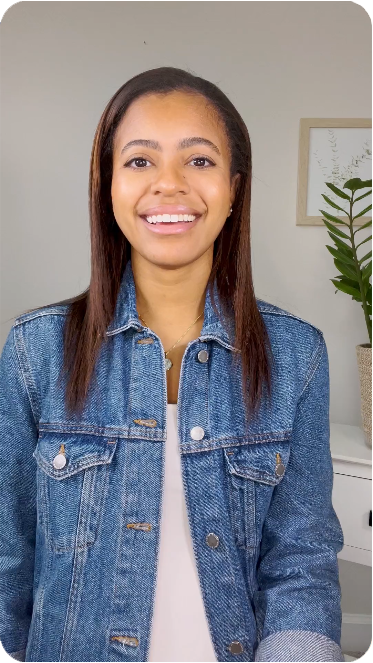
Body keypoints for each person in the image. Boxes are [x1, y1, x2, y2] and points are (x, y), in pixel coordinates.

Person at [0, 66, 345, 663]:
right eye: (139, 161)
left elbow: (302, 564)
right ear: (107, 186)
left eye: (199, 161)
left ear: (235, 188)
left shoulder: (297, 355)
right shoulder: (35, 350)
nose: (169, 185)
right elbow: (7, 560)